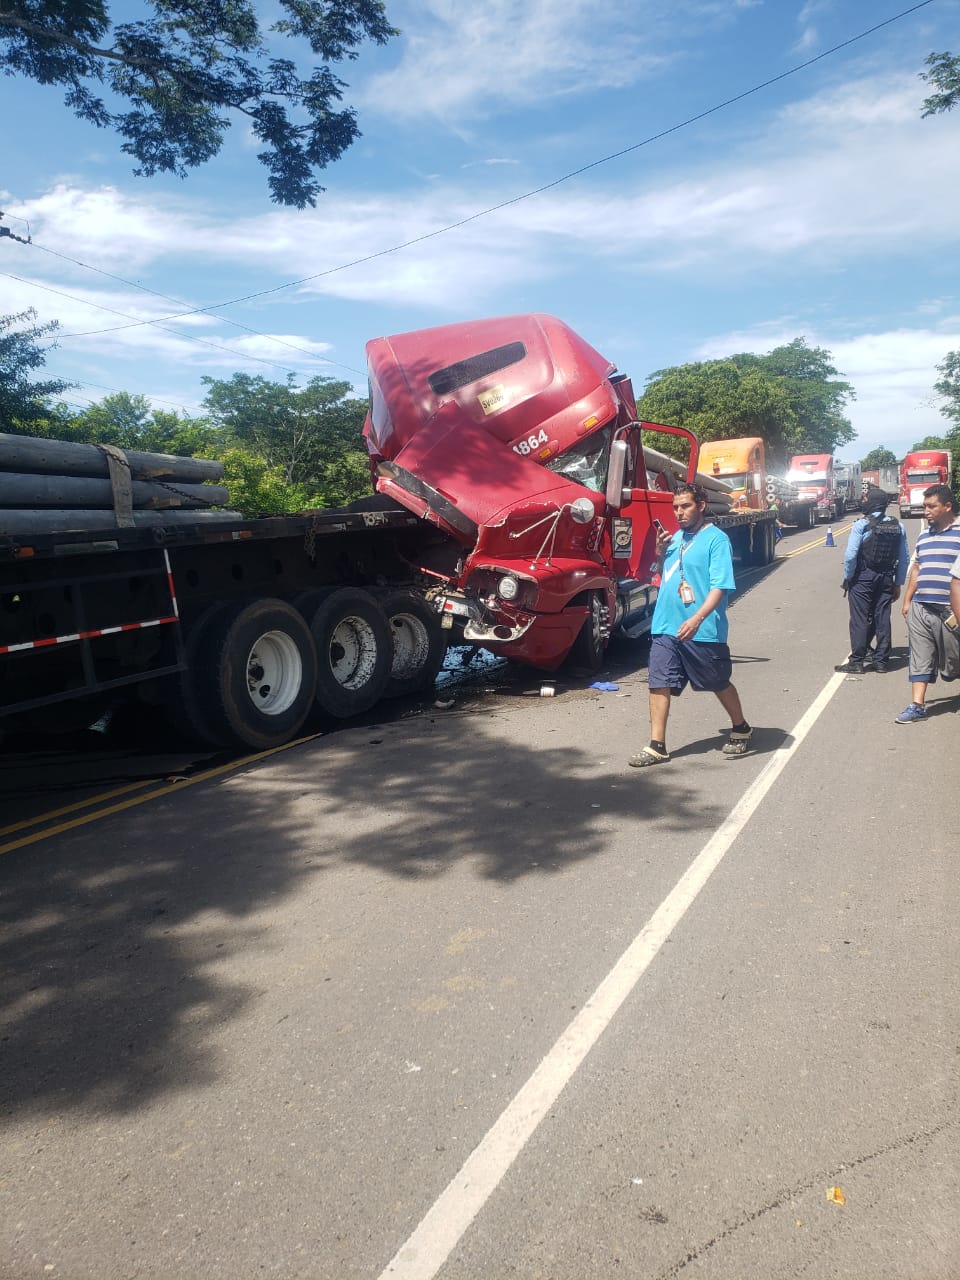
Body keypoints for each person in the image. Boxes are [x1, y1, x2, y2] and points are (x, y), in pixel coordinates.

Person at [629, 482, 751, 767]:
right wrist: (660, 554)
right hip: (665, 625)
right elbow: (665, 576)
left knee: (716, 681)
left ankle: (741, 727)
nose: (679, 513)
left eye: (686, 506)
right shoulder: (674, 539)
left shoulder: (716, 540)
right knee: (658, 682)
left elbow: (721, 586)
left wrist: (697, 618)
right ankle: (656, 745)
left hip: (702, 628)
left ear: (701, 506)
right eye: (676, 508)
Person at [895, 483, 960, 723]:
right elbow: (917, 568)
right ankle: (917, 705)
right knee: (920, 655)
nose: (926, 511)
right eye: (925, 506)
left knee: (954, 662)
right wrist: (907, 600)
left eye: (931, 506)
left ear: (947, 506)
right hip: (921, 607)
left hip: (951, 611)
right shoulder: (924, 535)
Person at [834, 486, 909, 674]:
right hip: (886, 577)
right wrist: (898, 583)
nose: (864, 501)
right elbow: (904, 557)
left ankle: (857, 662)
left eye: (866, 499)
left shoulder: (862, 525)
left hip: (863, 578)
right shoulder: (897, 526)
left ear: (873, 502)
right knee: (882, 617)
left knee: (859, 618)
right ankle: (881, 661)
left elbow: (851, 555)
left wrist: (848, 577)